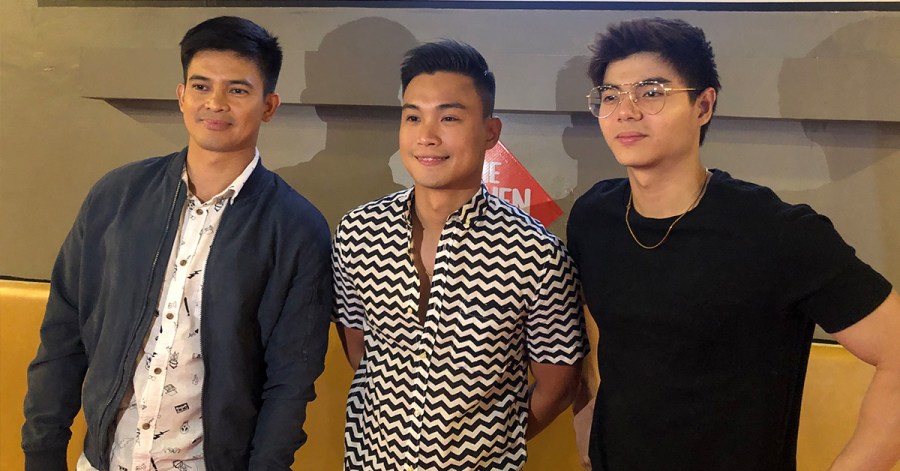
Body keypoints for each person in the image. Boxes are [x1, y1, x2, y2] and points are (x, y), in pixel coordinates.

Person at [568, 17, 900, 471]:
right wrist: (587, 422)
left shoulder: (775, 232)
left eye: (651, 92)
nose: (626, 111)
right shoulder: (594, 217)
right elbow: (600, 327)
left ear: (703, 105)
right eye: (610, 96)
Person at [22, 16, 332, 471]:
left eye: (238, 90)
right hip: (103, 460)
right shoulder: (117, 197)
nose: (216, 103)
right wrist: (43, 453)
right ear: (182, 95)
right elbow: (63, 336)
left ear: (269, 105)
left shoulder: (297, 227)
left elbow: (291, 381)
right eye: (202, 86)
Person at [332, 39, 586, 470]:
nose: (427, 136)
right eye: (413, 117)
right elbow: (359, 350)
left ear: (490, 132)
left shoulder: (535, 254)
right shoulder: (358, 232)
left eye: (449, 117)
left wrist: (488, 444)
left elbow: (558, 383)